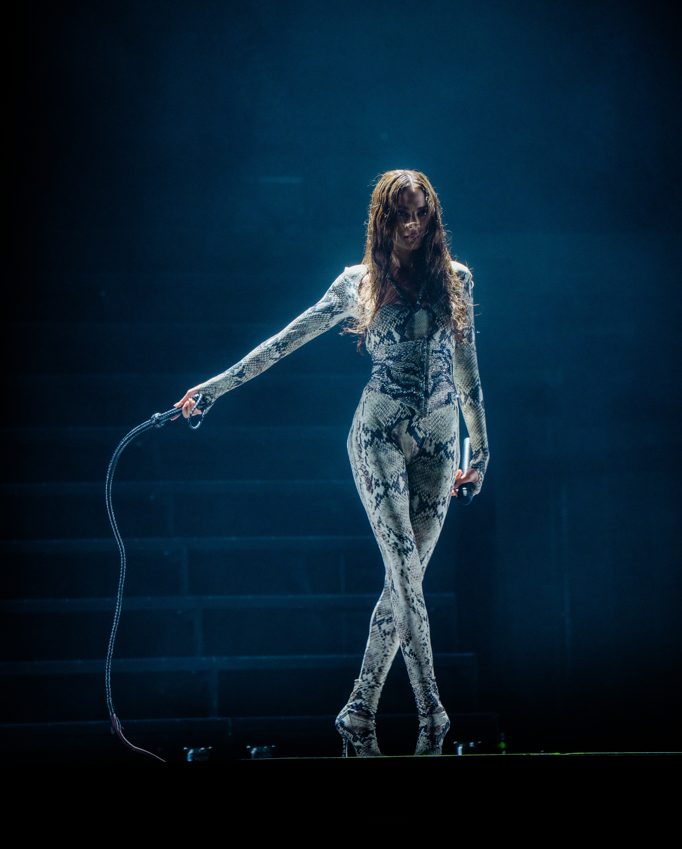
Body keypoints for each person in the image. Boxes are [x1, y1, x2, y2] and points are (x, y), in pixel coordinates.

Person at [174, 169, 490, 757]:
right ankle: (432, 716)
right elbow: (285, 340)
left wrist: (482, 451)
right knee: (405, 573)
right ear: (383, 219)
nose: (412, 224)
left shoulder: (457, 279)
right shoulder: (357, 284)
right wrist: (215, 387)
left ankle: (359, 711)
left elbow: (468, 370)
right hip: (378, 433)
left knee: (405, 582)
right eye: (401, 214)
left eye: (421, 212)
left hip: (442, 440)